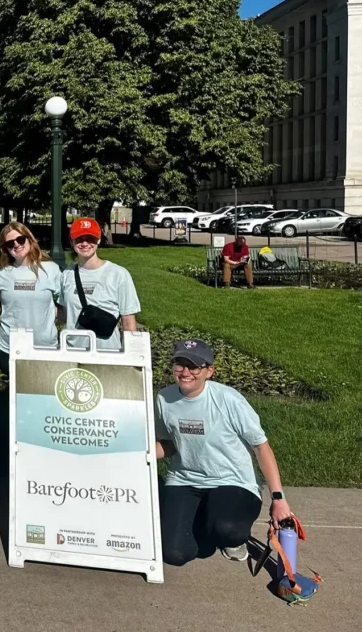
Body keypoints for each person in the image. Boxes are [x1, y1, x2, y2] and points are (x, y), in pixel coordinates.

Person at [156, 339, 293, 565]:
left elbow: (261, 446)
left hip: (232, 481)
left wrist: (278, 498)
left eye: (194, 367)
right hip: (184, 480)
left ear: (209, 371)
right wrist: (141, 452)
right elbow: (169, 444)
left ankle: (229, 538)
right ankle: (203, 523)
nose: (185, 372)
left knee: (227, 529)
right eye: (179, 365)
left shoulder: (228, 399)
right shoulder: (164, 398)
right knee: (175, 553)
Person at [0, 221, 63, 377]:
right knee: (14, 398)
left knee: (45, 395)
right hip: (10, 347)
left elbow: (66, 302)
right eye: (10, 243)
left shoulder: (50, 269)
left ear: (29, 239)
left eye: (20, 239)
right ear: (5, 248)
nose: (16, 245)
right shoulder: (0, 272)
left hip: (44, 347)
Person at [61, 217, 139, 351]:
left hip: (106, 353)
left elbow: (128, 321)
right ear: (71, 241)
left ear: (98, 240)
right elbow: (66, 314)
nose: (85, 243)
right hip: (72, 351)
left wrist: (132, 356)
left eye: (90, 238)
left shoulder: (118, 274)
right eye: (79, 239)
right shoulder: (66, 274)